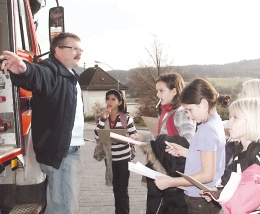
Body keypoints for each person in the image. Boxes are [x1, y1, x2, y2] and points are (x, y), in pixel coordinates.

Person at [0, 32, 84, 214]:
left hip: (66, 152)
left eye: (80, 49)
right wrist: (23, 68)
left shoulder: (68, 75)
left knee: (58, 204)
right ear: (58, 50)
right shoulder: (52, 70)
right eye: (74, 48)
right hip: (63, 154)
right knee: (65, 209)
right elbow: (38, 74)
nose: (79, 52)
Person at [154, 78, 230, 214]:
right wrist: (185, 152)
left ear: (204, 104)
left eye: (190, 110)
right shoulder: (213, 122)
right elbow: (210, 158)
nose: (189, 115)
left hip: (200, 198)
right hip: (205, 196)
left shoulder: (208, 130)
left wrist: (170, 182)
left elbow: (207, 175)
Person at [204, 98, 260, 213]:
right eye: (230, 117)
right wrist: (219, 192)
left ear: (252, 121)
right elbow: (242, 188)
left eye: (235, 118)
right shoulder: (238, 152)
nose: (229, 122)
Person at [132, 73, 196, 214]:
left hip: (174, 171)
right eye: (157, 91)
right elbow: (161, 137)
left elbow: (188, 141)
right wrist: (144, 137)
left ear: (174, 91)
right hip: (164, 167)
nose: (157, 94)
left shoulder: (181, 113)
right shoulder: (166, 112)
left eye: (161, 91)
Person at [93, 89, 137, 214]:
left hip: (123, 159)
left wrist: (128, 137)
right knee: (116, 189)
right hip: (110, 159)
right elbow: (97, 136)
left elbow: (134, 135)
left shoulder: (125, 117)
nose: (109, 102)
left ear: (119, 102)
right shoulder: (102, 117)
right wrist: (102, 119)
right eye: (108, 99)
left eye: (113, 99)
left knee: (122, 191)